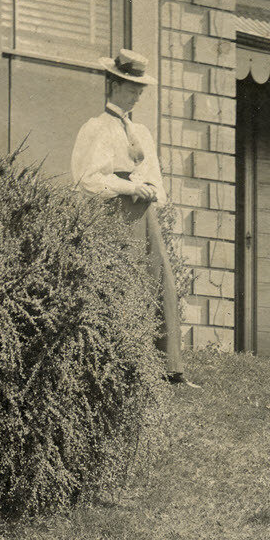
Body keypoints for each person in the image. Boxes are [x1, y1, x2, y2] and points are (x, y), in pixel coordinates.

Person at [70, 48, 196, 387]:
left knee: (159, 279)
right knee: (121, 280)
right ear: (112, 85)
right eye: (129, 88)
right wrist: (127, 188)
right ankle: (123, 366)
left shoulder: (140, 131)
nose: (136, 95)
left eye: (139, 90)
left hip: (143, 215)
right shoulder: (96, 127)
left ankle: (169, 368)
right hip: (113, 213)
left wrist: (149, 188)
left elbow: (153, 175)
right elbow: (88, 178)